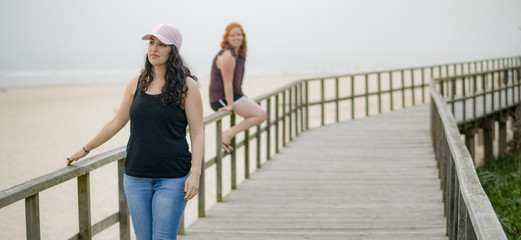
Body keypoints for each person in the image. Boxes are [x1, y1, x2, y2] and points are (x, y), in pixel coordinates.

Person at [66, 24, 204, 240]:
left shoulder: (188, 86)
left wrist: (195, 173)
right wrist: (85, 149)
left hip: (173, 177)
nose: (154, 48)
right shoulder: (136, 83)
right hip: (136, 177)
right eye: (151, 43)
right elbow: (116, 122)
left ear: (173, 51)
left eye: (161, 44)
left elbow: (197, 132)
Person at [209, 22, 267, 152]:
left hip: (235, 95)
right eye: (233, 35)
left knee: (260, 113)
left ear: (243, 37)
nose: (236, 38)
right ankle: (227, 134)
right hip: (221, 98)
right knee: (261, 115)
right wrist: (230, 104)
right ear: (227, 38)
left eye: (239, 35)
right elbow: (227, 82)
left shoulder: (239, 55)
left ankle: (228, 134)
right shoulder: (227, 55)